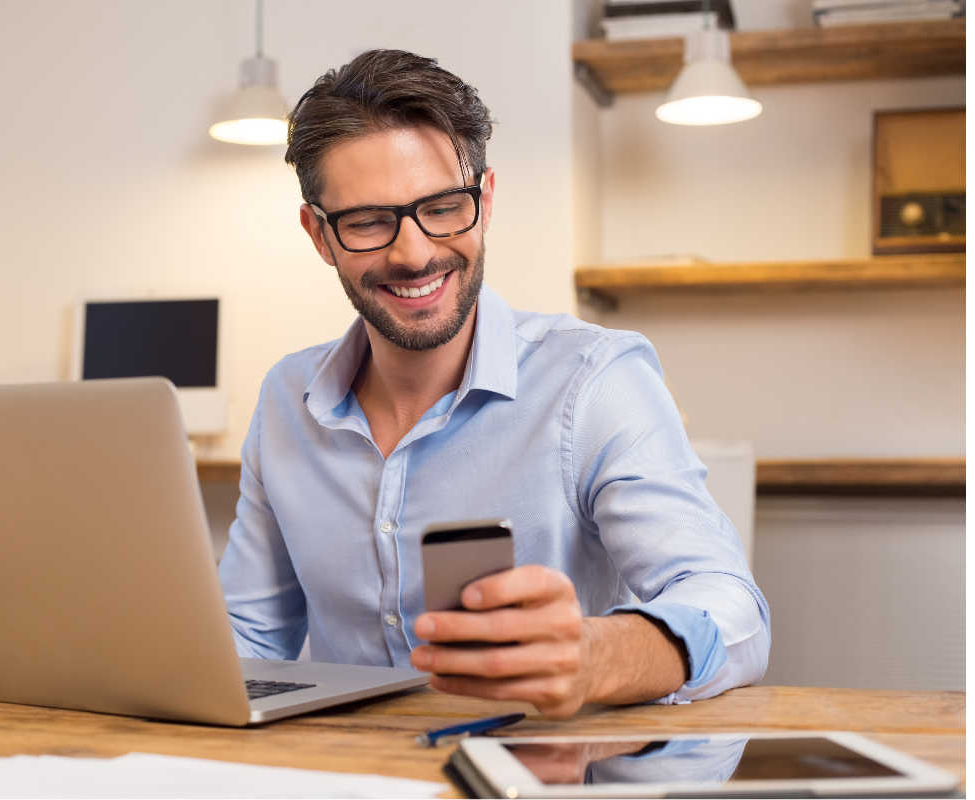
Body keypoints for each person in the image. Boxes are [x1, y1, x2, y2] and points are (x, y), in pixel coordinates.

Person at [218, 49, 769, 718]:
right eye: (368, 221)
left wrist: (598, 655)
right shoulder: (286, 400)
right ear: (319, 235)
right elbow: (248, 644)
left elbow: (730, 607)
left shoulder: (594, 381)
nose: (414, 252)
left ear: (485, 200)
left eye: (445, 207)